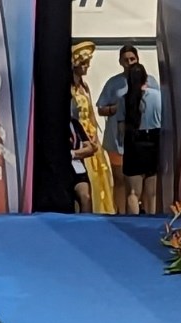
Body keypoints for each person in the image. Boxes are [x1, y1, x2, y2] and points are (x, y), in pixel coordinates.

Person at [96, 45, 159, 215]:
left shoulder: (151, 83)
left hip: (134, 139)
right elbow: (101, 108)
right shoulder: (114, 83)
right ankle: (122, 212)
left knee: (138, 186)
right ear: (120, 61)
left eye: (132, 59)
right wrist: (114, 109)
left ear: (137, 59)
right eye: (126, 59)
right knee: (122, 180)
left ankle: (138, 213)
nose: (129, 62)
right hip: (124, 140)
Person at [70, 42, 114, 214]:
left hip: (91, 137)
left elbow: (91, 113)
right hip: (78, 137)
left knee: (99, 175)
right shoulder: (70, 88)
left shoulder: (85, 85)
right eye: (85, 63)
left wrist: (95, 132)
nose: (87, 66)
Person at [120, 64, 161, 215]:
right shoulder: (157, 95)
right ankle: (150, 222)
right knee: (151, 193)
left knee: (133, 192)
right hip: (153, 140)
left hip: (133, 141)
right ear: (145, 77)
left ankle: (133, 220)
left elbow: (121, 128)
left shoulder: (124, 99)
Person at [69, 115, 96, 213]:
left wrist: (73, 153)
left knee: (86, 196)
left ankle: (87, 224)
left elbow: (90, 149)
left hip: (77, 166)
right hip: (59, 170)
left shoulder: (74, 123)